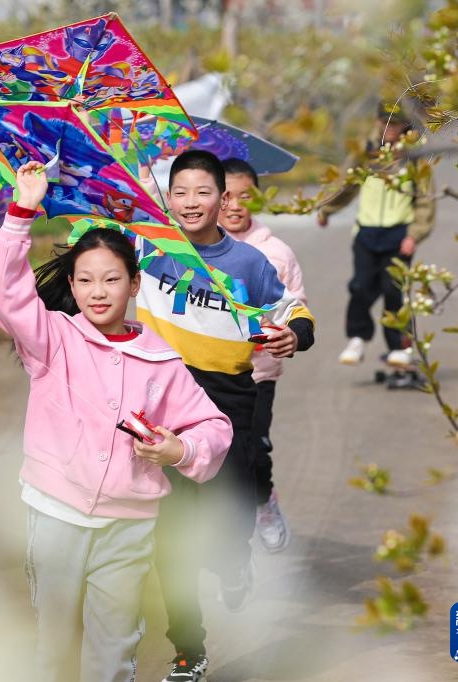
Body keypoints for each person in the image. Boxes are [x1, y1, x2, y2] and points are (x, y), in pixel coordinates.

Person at [0, 161, 233, 682]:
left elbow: (214, 426)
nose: (98, 291)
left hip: (129, 527)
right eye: (86, 280)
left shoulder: (161, 361)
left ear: (135, 283)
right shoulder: (53, 339)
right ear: (71, 286)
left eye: (112, 279)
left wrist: (178, 450)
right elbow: (5, 293)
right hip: (55, 516)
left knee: (115, 646)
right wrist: (22, 210)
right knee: (55, 644)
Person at [136, 150, 315, 682]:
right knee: (171, 541)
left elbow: (296, 313)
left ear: (223, 198)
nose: (191, 203)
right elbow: (95, 264)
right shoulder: (149, 247)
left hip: (228, 405)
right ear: (169, 197)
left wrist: (293, 335)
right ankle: (189, 651)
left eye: (203, 192)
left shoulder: (249, 264)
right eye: (181, 192)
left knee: (230, 520)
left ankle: (235, 560)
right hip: (160, 407)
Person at [221, 157, 308, 553]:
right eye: (224, 196)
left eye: (245, 196)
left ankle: (263, 502)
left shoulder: (277, 253)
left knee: (253, 447)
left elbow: (295, 307)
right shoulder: (191, 247)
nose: (235, 205)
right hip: (203, 369)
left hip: (257, 374)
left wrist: (291, 333)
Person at [317, 104, 435, 368]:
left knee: (393, 290)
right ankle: (357, 337)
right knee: (360, 286)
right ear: (378, 122)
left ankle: (398, 346)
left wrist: (415, 235)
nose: (390, 129)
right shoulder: (366, 152)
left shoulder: (413, 156)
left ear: (405, 125)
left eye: (396, 124)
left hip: (399, 233)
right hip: (367, 231)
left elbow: (426, 199)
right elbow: (346, 184)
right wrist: (326, 209)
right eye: (386, 123)